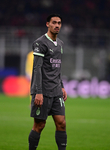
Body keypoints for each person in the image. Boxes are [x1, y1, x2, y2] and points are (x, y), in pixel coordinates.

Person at [28, 14, 68, 150]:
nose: (57, 25)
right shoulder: (40, 43)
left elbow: (57, 68)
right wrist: (38, 92)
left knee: (61, 123)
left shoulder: (61, 44)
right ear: (47, 24)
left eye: (59, 23)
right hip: (43, 91)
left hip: (56, 90)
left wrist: (61, 86)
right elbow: (37, 69)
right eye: (54, 23)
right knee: (40, 125)